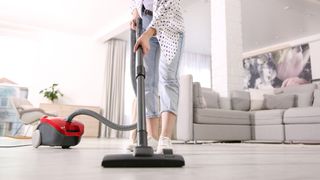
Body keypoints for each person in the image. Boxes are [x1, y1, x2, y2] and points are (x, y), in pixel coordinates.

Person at [129, 0, 184, 154]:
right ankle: (152, 138)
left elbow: (170, 4)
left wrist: (148, 33)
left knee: (168, 79)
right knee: (147, 83)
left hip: (170, 24)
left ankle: (165, 138)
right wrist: (135, 13)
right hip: (145, 22)